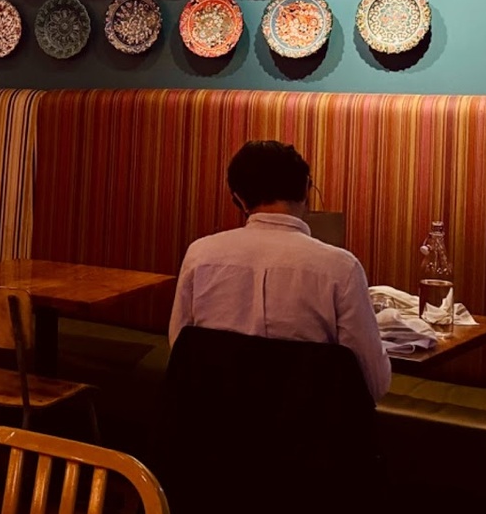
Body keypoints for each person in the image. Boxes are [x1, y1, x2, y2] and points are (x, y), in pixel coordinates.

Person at [168, 139, 391, 402]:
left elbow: (180, 351)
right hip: (313, 425)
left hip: (211, 421)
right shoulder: (342, 269)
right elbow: (373, 383)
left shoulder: (199, 256)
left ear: (239, 198)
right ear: (306, 189)